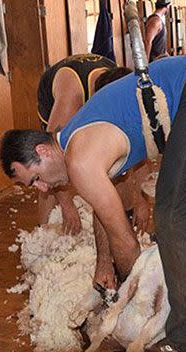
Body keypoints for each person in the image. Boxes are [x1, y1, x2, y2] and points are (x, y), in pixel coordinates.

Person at [1, 52, 186, 352]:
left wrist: (129, 299)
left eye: (35, 178)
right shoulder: (76, 138)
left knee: (175, 217)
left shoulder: (80, 162)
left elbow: (124, 240)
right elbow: (106, 213)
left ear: (43, 152)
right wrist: (104, 261)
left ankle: (184, 341)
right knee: (181, 210)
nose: (44, 188)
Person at [36, 53, 134, 235]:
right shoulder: (70, 101)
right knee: (48, 169)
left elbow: (133, 144)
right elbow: (48, 159)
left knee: (116, 156)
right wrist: (67, 206)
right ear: (98, 98)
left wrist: (139, 201)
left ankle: (126, 218)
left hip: (86, 84)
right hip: (55, 95)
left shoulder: (120, 81)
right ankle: (44, 234)